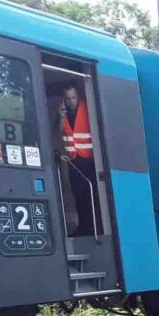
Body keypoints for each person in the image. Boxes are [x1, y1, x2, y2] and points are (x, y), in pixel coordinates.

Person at [57, 84, 96, 237]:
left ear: (78, 96)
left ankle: (93, 226)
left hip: (89, 158)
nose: (71, 101)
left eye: (73, 97)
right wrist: (60, 116)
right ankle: (83, 227)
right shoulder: (63, 114)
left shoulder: (88, 108)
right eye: (67, 99)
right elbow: (59, 132)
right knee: (78, 194)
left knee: (90, 194)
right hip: (73, 160)